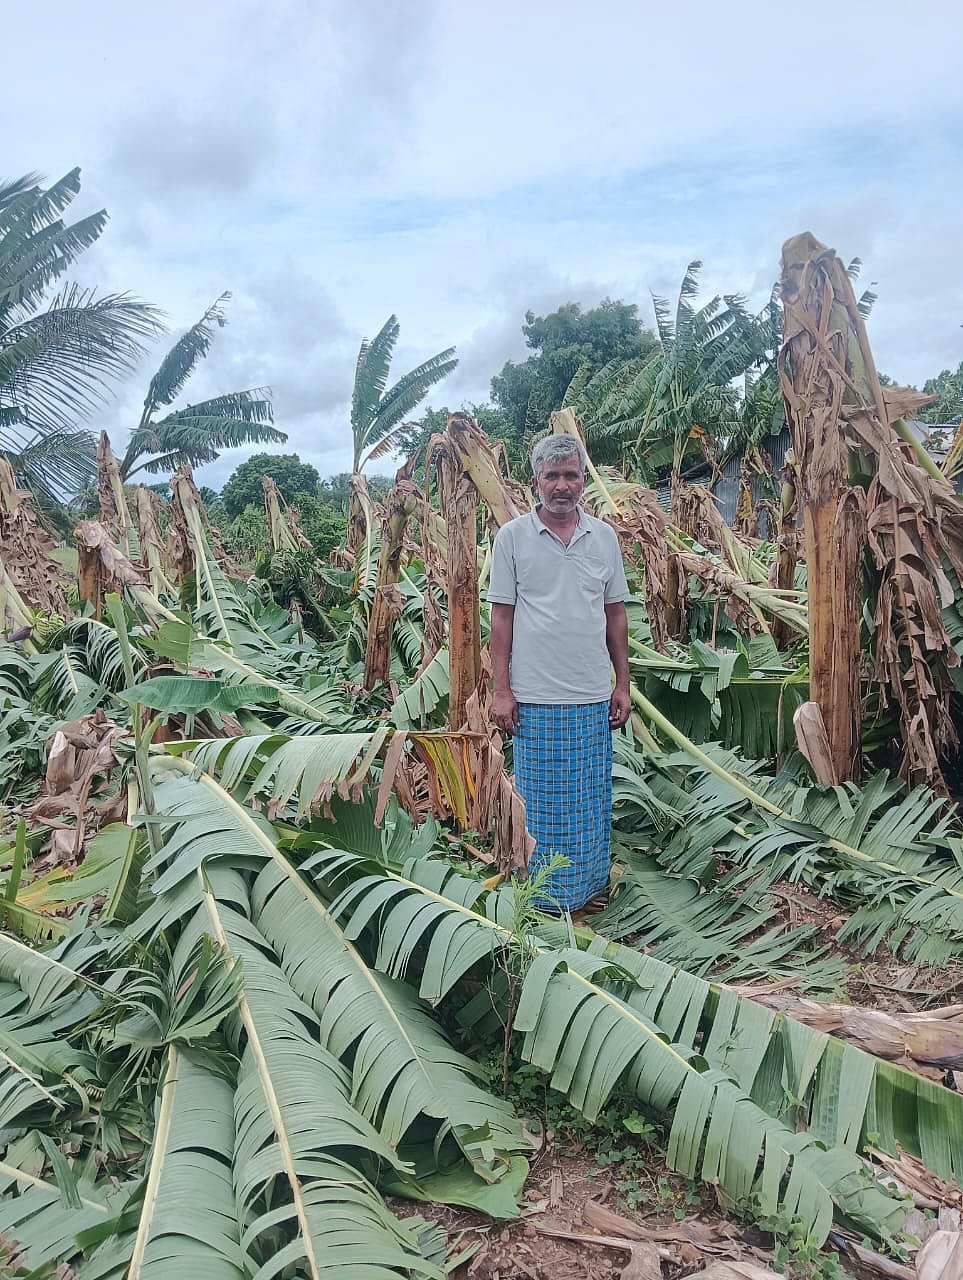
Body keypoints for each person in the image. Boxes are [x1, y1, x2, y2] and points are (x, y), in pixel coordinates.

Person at [487, 434, 631, 911]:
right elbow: (502, 618)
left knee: (589, 801)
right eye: (553, 476)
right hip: (536, 696)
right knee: (543, 805)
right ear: (536, 481)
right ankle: (547, 899)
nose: (563, 485)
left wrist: (622, 684)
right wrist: (501, 690)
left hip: (591, 693)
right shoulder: (512, 539)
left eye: (571, 475)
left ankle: (587, 890)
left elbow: (615, 614)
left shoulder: (603, 538)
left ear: (583, 480)